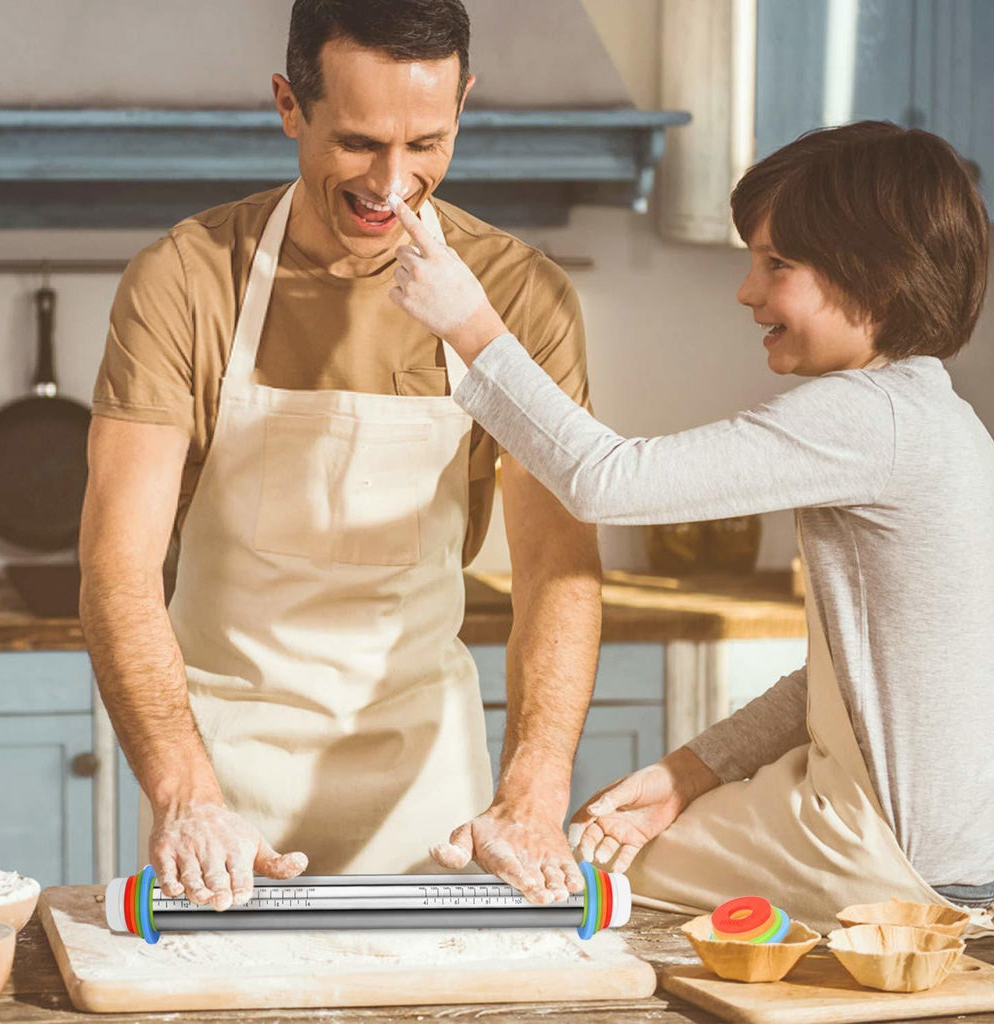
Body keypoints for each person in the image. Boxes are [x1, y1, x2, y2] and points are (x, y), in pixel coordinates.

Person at [387, 121, 994, 935]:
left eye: (778, 264)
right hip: (979, 872)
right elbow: (843, 695)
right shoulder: (943, 421)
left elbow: (604, 481)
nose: (747, 291)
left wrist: (466, 320)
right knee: (623, 843)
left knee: (585, 866)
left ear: (879, 282)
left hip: (889, 859)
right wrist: (689, 772)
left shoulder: (868, 417)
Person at [79, 0, 602, 911]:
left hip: (428, 787)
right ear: (291, 105)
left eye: (426, 143)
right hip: (220, 778)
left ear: (464, 104)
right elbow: (117, 567)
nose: (393, 183)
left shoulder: (518, 295)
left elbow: (558, 568)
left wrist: (530, 796)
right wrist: (184, 793)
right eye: (358, 143)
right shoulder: (188, 279)